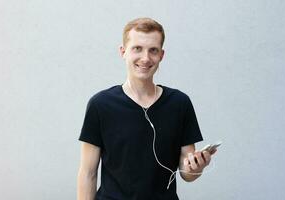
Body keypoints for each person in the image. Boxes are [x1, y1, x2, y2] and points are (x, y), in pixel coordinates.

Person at [77, 17, 216, 200]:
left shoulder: (179, 103)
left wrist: (196, 168)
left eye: (153, 50)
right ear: (123, 51)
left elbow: (186, 174)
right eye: (137, 49)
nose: (145, 58)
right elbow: (88, 173)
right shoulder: (100, 105)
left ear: (161, 55)